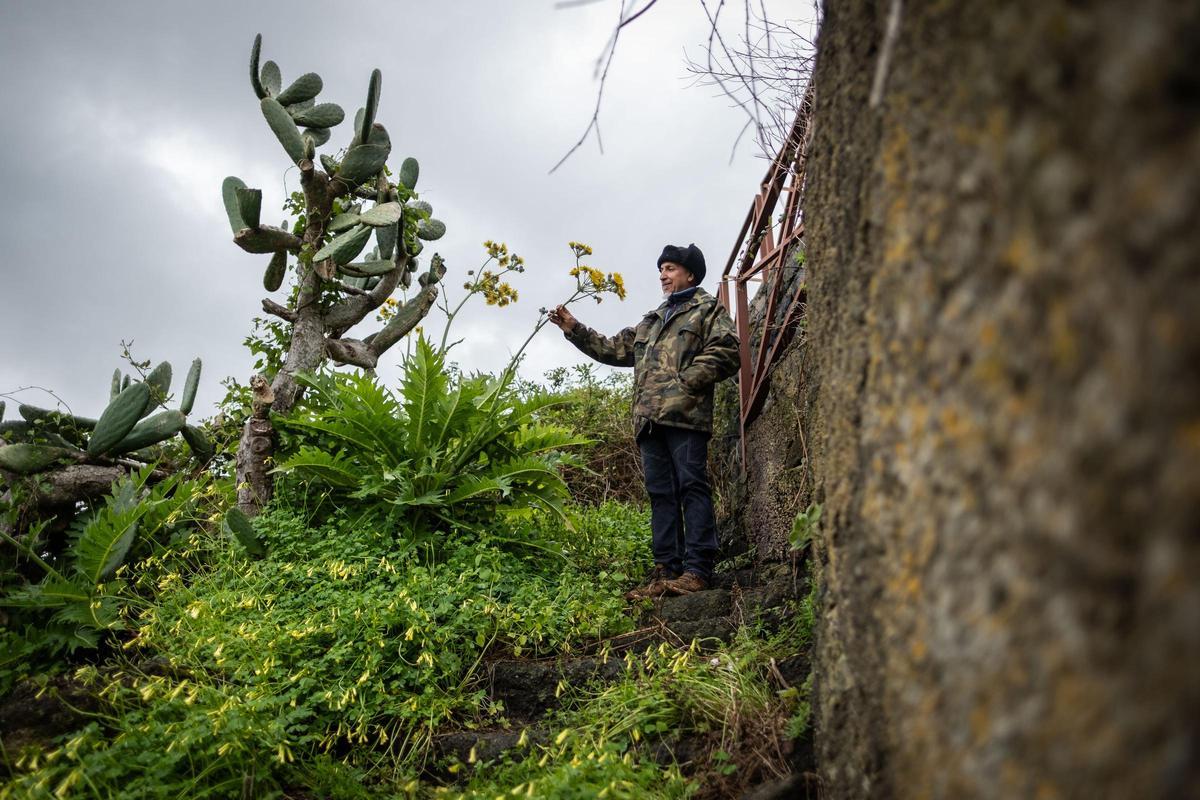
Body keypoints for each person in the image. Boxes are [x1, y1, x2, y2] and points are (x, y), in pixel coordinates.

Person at [548, 243, 740, 598]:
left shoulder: (707, 311)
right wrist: (574, 328)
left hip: (685, 417)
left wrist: (685, 384)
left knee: (691, 486)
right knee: (660, 493)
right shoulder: (650, 322)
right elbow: (612, 349)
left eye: (670, 269)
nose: (663, 276)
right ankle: (667, 570)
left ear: (690, 275)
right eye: (661, 270)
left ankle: (698, 570)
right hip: (648, 421)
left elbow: (728, 350)